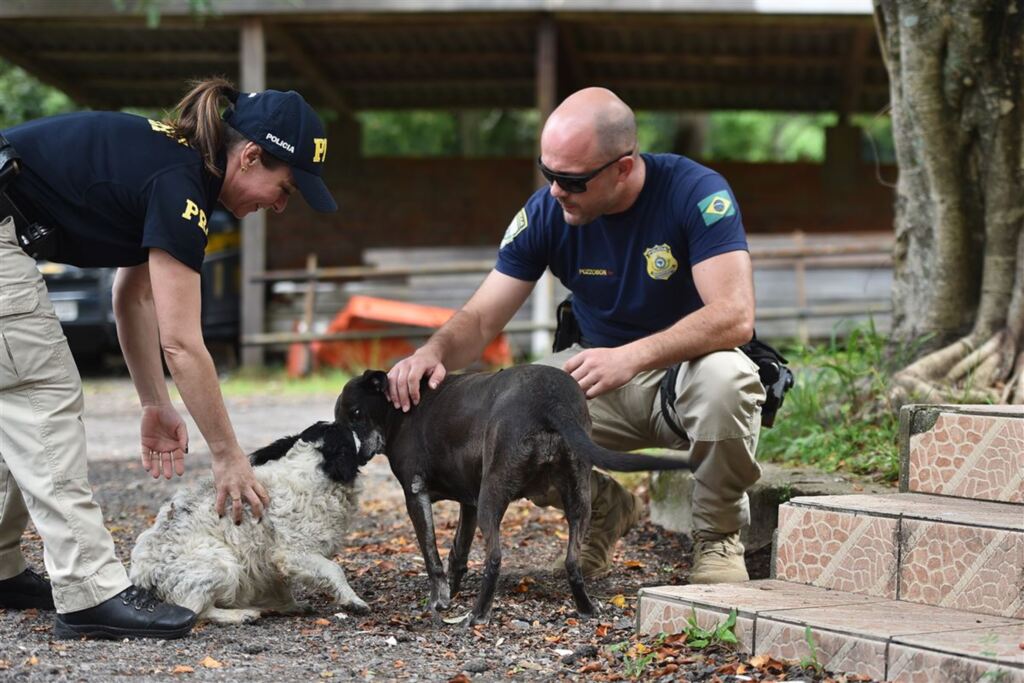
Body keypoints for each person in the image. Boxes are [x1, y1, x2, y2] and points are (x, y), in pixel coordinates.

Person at [0, 77, 337, 638]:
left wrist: (154, 402)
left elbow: (132, 295)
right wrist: (229, 455)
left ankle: (2, 569)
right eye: (284, 188)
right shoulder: (179, 183)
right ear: (251, 156)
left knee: (19, 399)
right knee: (40, 397)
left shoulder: (181, 170)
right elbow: (183, 343)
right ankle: (89, 594)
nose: (278, 206)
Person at [387, 87, 765, 584]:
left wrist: (631, 356)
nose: (556, 190)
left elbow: (735, 316)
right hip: (595, 383)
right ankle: (602, 504)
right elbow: (481, 319)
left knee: (727, 378)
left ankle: (717, 541)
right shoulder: (549, 211)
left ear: (623, 169)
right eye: (548, 174)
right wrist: (433, 351)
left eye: (572, 180)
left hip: (683, 377)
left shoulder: (695, 193)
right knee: (512, 410)